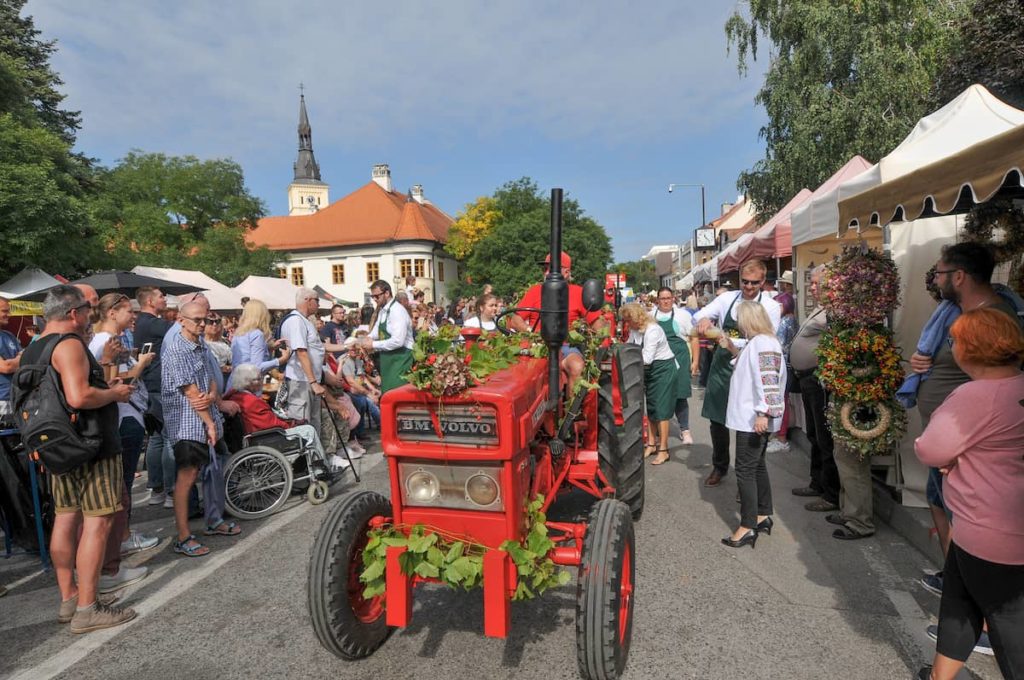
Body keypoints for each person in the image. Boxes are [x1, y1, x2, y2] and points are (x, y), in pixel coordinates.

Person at [905, 242, 1024, 591]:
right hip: (950, 440)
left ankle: (973, 595)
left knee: (965, 515)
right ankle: (955, 577)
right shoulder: (953, 313)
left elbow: (999, 386)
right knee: (938, 501)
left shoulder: (996, 318)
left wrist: (958, 446)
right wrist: (919, 363)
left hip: (969, 448)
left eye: (940, 273)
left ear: (959, 276)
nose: (936, 280)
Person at [914, 308, 1024, 680]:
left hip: (988, 527)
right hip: (993, 523)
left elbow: (930, 449)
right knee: (958, 603)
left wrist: (955, 459)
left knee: (1009, 627)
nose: (953, 347)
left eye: (956, 341)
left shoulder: (976, 394)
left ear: (972, 349)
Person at [26, 285, 136, 632]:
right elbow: (79, 395)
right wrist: (115, 393)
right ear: (73, 313)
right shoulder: (70, 344)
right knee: (97, 522)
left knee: (65, 517)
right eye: (88, 309)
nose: (91, 315)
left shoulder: (33, 348)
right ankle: (89, 607)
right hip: (90, 443)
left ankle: (70, 597)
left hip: (56, 445)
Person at [89, 294, 158, 589]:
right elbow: (111, 383)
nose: (135, 316)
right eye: (130, 311)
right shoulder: (103, 343)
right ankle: (116, 553)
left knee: (123, 490)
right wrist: (140, 365)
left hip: (127, 416)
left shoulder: (111, 340)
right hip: (119, 419)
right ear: (113, 312)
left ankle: (123, 541)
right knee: (120, 490)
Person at [693, 259, 781, 487]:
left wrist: (730, 341)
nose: (749, 287)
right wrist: (703, 319)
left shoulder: (770, 306)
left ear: (763, 282)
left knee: (753, 422)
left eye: (754, 283)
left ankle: (750, 475)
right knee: (718, 421)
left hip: (751, 368)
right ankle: (720, 466)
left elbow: (766, 337)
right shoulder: (726, 299)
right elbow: (698, 316)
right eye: (745, 282)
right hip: (723, 368)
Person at [163, 300, 240, 558]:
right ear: (180, 320)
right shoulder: (177, 349)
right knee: (187, 477)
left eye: (204, 319)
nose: (202, 324)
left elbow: (209, 376)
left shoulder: (200, 344)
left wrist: (214, 394)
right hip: (187, 423)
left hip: (206, 417)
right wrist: (209, 422)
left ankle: (213, 520)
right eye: (197, 320)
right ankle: (183, 536)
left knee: (212, 469)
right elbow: (191, 393)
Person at [717, 302, 785, 548]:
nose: (739, 325)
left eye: (740, 320)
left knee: (745, 469)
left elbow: (768, 380)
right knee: (756, 466)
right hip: (751, 416)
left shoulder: (763, 343)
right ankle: (763, 513)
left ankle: (747, 526)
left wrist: (763, 412)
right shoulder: (762, 341)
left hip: (752, 418)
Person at [509, 251, 604, 394]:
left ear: (566, 272)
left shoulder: (578, 293)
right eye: (545, 269)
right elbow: (515, 320)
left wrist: (599, 340)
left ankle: (571, 413)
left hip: (565, 347)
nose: (547, 273)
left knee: (577, 366)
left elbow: (598, 326)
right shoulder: (535, 291)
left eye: (551, 269)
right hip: (535, 346)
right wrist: (531, 332)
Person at [787, 265, 842, 514]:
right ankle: (817, 482)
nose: (811, 286)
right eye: (811, 283)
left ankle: (830, 494)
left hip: (820, 382)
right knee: (814, 435)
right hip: (808, 380)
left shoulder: (836, 311)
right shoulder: (821, 309)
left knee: (824, 437)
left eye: (816, 282)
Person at [227, 364, 350, 470]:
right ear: (249, 383)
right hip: (267, 438)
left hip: (257, 436)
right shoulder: (252, 401)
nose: (262, 381)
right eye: (259, 379)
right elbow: (271, 423)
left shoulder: (235, 396)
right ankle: (319, 467)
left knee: (307, 425)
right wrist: (292, 424)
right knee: (309, 429)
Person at [134, 287, 176, 508]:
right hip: (161, 384)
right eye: (161, 296)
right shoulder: (152, 323)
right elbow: (179, 328)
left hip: (149, 384)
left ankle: (157, 488)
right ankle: (170, 491)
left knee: (157, 438)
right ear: (150, 301)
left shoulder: (139, 322)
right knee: (168, 437)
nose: (165, 299)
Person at [620, 303, 677, 466]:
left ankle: (664, 450)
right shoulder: (634, 329)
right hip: (649, 370)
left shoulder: (653, 330)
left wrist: (627, 359)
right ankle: (651, 444)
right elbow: (629, 346)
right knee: (651, 408)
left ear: (636, 317)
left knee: (661, 410)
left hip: (662, 368)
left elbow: (647, 358)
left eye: (628, 320)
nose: (627, 324)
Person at [281, 289, 330, 428]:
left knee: (313, 425)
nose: (318, 304)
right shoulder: (296, 321)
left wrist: (346, 346)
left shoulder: (304, 321)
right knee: (303, 426)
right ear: (308, 300)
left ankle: (314, 450)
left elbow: (319, 347)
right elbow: (301, 352)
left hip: (308, 380)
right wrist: (314, 382)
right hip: (302, 381)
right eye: (317, 300)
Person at [651, 287, 693, 446]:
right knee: (657, 396)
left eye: (668, 298)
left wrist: (695, 361)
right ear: (658, 300)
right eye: (662, 298)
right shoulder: (651, 316)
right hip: (659, 361)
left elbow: (693, 337)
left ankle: (685, 429)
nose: (666, 301)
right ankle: (654, 434)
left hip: (679, 359)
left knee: (680, 396)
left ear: (673, 298)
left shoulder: (683, 315)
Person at [359, 280, 414, 394]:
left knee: (397, 394)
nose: (374, 299)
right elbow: (375, 332)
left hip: (401, 358)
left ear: (387, 293)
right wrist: (365, 340)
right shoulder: (383, 311)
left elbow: (398, 341)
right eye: (372, 296)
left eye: (377, 296)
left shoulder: (397, 311)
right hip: (389, 358)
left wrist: (373, 344)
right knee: (387, 393)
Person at [230, 299, 291, 386]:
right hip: (248, 386)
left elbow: (247, 356)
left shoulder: (239, 333)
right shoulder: (257, 334)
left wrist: (269, 348)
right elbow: (257, 368)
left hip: (235, 382)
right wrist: (281, 360)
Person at [766, 292, 797, 453]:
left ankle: (782, 438)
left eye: (778, 305)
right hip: (785, 366)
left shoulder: (785, 322)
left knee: (780, 402)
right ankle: (779, 434)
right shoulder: (790, 320)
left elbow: (779, 345)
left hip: (782, 367)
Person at [0, 296, 23, 417]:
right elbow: (5, 367)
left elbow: (24, 356)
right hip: (1, 400)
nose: (9, 314)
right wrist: (19, 360)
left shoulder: (9, 335)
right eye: (5, 311)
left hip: (16, 397)